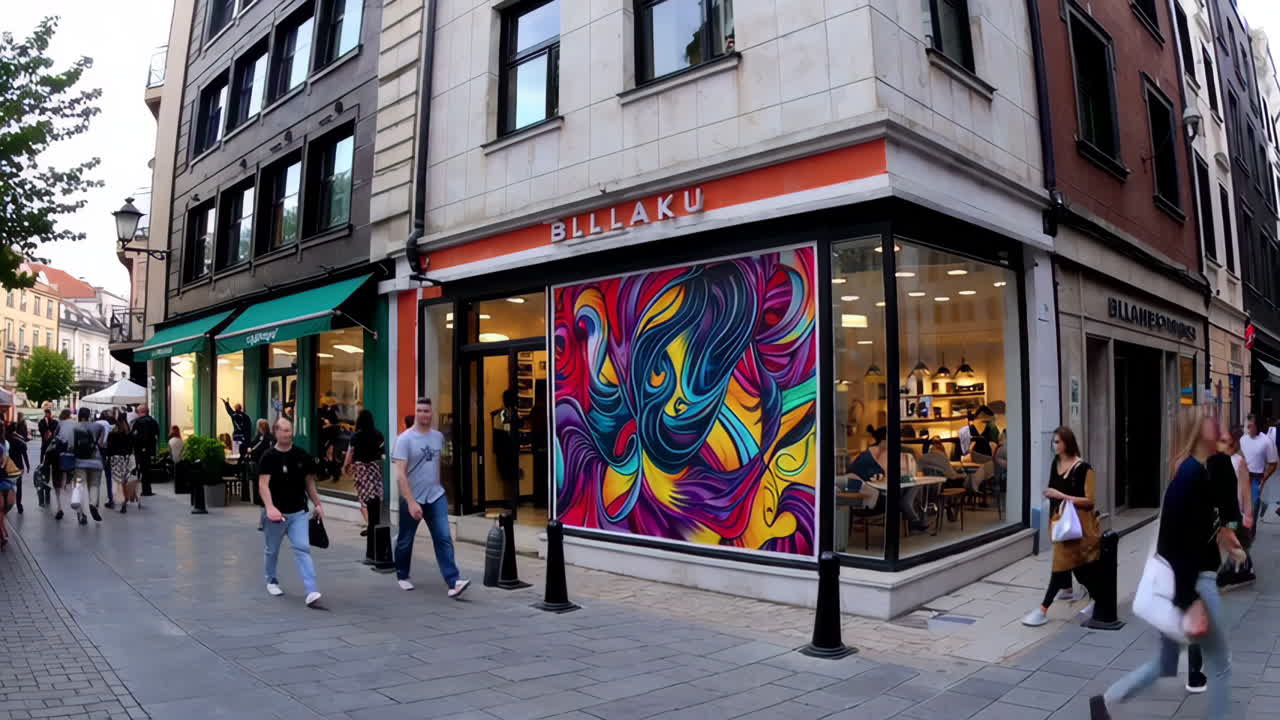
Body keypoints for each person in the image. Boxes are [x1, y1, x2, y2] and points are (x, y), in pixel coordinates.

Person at [1090, 413, 1243, 720]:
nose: (1218, 426)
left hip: (1189, 582)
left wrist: (1229, 539)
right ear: (1198, 433)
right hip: (1196, 582)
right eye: (1210, 423)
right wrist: (1191, 600)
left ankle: (1106, 701)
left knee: (1165, 664)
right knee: (1221, 666)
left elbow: (1212, 522)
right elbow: (1173, 543)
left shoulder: (1204, 469)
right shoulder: (1189, 476)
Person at [1022, 426, 1101, 627]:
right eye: (1053, 442)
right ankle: (1088, 595)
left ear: (1067, 442)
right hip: (1060, 525)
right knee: (1078, 569)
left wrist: (1062, 496)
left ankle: (1043, 609)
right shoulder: (1055, 463)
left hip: (1077, 527)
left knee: (1061, 566)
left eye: (1058, 441)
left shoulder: (1084, 468)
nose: (1054, 445)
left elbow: (1090, 501)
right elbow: (1053, 491)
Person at [393, 397, 470, 598]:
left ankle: (453, 581)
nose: (423, 414)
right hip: (412, 498)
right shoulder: (404, 439)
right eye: (419, 410)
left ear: (431, 413)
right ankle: (402, 574)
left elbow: (440, 464)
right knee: (405, 539)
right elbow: (400, 474)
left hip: (436, 495)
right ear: (415, 413)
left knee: (443, 537)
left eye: (426, 411)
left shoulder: (438, 437)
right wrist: (411, 502)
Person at [258, 417, 324, 607]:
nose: (288, 434)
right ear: (276, 432)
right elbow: (263, 485)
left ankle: (311, 590)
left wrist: (317, 504)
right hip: (276, 515)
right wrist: (270, 507)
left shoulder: (302, 455)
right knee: (272, 550)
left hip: (298, 513)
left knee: (303, 548)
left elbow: (309, 483)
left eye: (290, 430)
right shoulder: (268, 456)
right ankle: (271, 580)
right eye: (284, 430)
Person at [57, 407, 107, 525]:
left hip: (79, 462)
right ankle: (92, 504)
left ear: (79, 415)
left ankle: (81, 514)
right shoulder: (98, 426)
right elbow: (102, 443)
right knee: (94, 485)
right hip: (96, 461)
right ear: (89, 415)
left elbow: (70, 445)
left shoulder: (74, 427)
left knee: (79, 485)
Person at [344, 409, 384, 535]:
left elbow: (350, 453)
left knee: (364, 499)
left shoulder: (356, 436)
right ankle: (373, 525)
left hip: (361, 470)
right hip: (374, 470)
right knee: (375, 498)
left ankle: (370, 525)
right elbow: (382, 454)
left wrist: (345, 467)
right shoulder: (378, 435)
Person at [1238, 414, 1276, 533]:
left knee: (1252, 510)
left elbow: (1273, 463)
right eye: (1247, 425)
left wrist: (1264, 479)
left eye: (1251, 425)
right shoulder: (1242, 439)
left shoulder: (1266, 441)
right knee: (1240, 508)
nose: (1248, 428)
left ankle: (1250, 534)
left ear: (1257, 425)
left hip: (1256, 478)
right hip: (1241, 477)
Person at [107, 416, 137, 513]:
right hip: (127, 458)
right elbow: (132, 447)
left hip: (116, 459)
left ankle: (121, 499)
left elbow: (109, 448)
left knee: (117, 480)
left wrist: (108, 458)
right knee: (125, 480)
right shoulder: (129, 434)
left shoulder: (112, 434)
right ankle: (126, 497)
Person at [249, 418, 273, 531]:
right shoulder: (261, 437)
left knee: (264, 494)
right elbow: (254, 444)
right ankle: (265, 520)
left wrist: (251, 450)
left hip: (265, 469)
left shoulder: (267, 438)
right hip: (262, 469)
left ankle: (263, 521)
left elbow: (258, 449)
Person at [130, 404, 161, 475]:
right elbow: (157, 434)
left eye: (137, 412)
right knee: (148, 467)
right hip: (151, 448)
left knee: (142, 468)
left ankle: (142, 478)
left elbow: (134, 435)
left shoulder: (138, 422)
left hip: (140, 449)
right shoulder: (154, 421)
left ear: (140, 411)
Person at [7, 421, 27, 515]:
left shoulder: (5, 440)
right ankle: (19, 505)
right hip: (18, 466)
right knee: (19, 486)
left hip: (7, 465)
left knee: (7, 485)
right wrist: (27, 464)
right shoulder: (19, 440)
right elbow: (24, 453)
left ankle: (6, 503)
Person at [96, 410, 115, 509]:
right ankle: (110, 499)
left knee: (97, 477)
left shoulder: (95, 423)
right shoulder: (108, 424)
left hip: (97, 451)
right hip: (107, 451)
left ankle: (95, 500)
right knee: (108, 476)